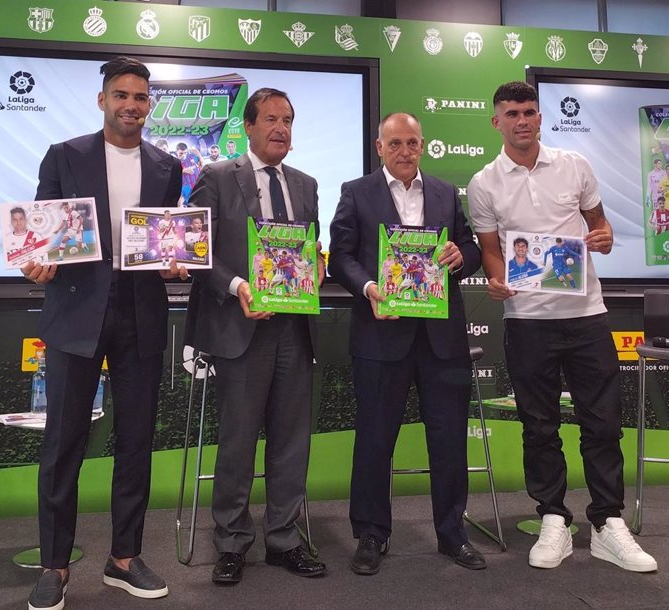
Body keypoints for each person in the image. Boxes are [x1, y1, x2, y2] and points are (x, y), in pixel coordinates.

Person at [467, 81, 657, 572]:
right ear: (497, 122)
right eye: (512, 113)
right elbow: (491, 248)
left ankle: (607, 523)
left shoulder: (575, 165)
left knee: (602, 424)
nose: (522, 121)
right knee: (539, 427)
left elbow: (601, 226)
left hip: (588, 316)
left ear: (540, 117)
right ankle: (553, 516)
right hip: (527, 321)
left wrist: (605, 236)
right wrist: (494, 278)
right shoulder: (484, 182)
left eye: (529, 111)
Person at [21, 56, 184, 610]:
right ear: (103, 100)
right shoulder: (65, 156)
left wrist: (172, 262)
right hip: (76, 313)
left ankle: (124, 558)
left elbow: (164, 240)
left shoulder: (166, 166)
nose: (131, 106)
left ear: (148, 105)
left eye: (140, 97)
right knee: (63, 443)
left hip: (142, 314)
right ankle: (54, 565)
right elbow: (40, 232)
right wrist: (34, 262)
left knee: (136, 441)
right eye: (121, 95)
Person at [328, 112, 484, 576]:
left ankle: (453, 533)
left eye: (412, 143)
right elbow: (340, 257)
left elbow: (470, 248)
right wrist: (370, 288)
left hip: (442, 338)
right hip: (381, 334)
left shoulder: (443, 192)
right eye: (394, 143)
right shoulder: (356, 192)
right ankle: (372, 534)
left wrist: (462, 256)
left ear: (423, 146)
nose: (404, 151)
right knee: (375, 440)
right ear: (379, 147)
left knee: (450, 439)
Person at [185, 87, 326, 584]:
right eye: (270, 119)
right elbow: (196, 253)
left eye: (287, 119)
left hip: (294, 329)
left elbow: (312, 248)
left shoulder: (306, 184)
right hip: (240, 328)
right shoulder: (217, 176)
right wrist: (239, 285)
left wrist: (318, 266)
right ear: (247, 126)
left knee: (291, 442)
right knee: (238, 442)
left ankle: (284, 539)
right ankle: (231, 543)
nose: (280, 128)